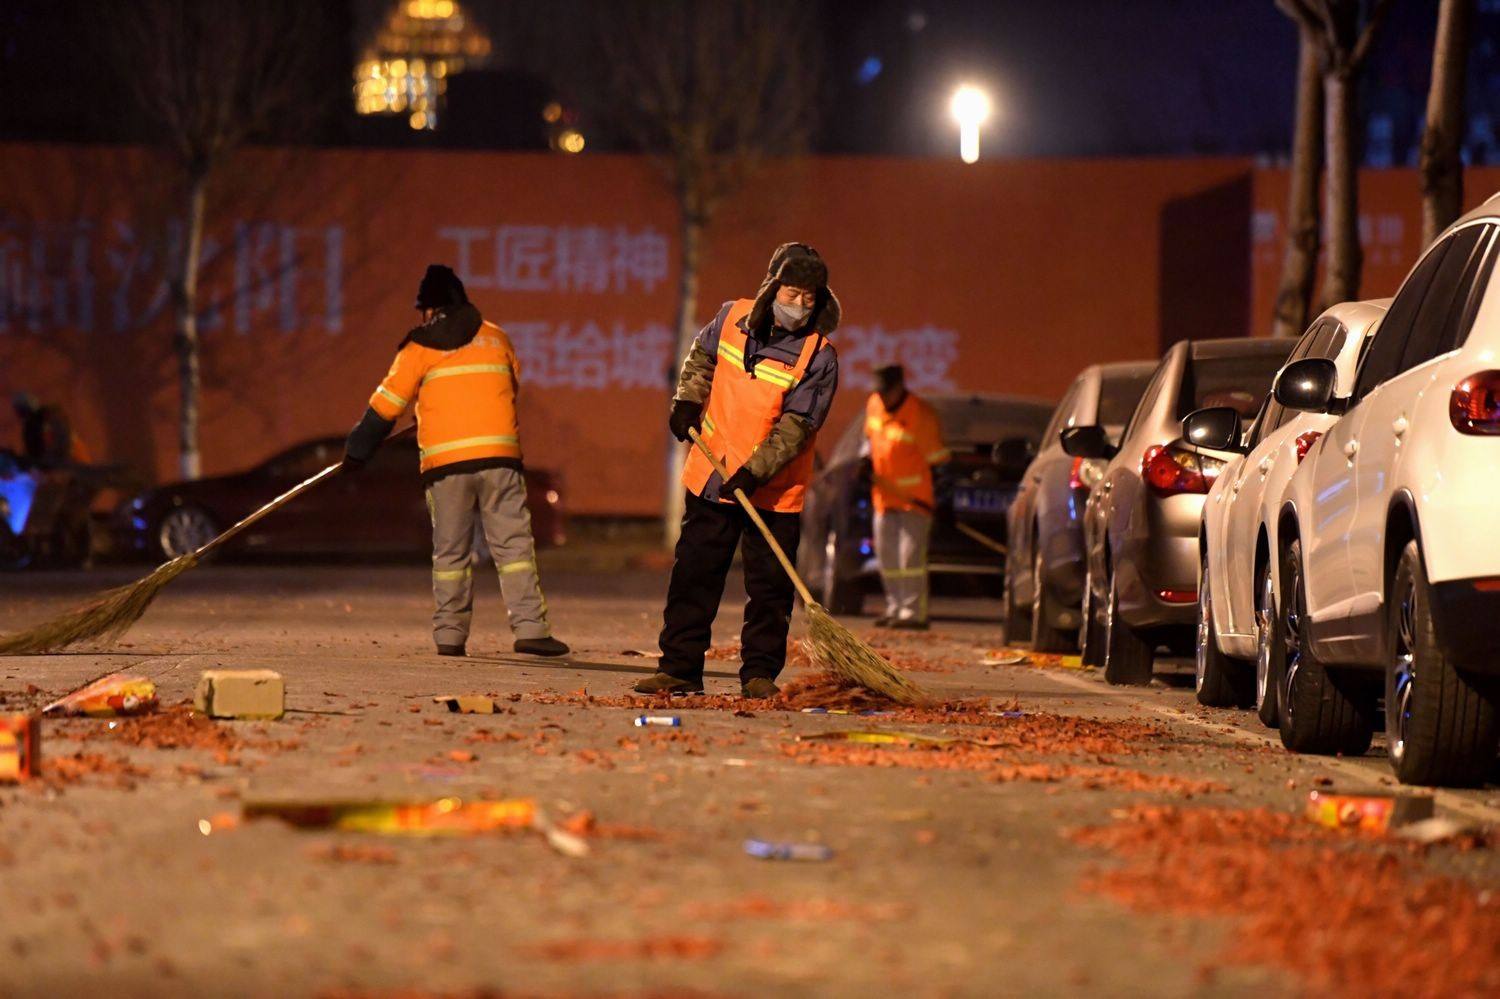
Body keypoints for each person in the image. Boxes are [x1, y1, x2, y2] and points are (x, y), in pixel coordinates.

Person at [636, 243, 840, 699]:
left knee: (769, 592)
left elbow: (798, 425)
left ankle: (759, 675)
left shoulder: (819, 355)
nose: (800, 307)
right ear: (772, 288)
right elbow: (702, 357)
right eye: (793, 294)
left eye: (811, 298)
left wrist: (755, 471)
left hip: (772, 491)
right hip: (711, 478)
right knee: (693, 575)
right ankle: (680, 669)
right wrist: (687, 399)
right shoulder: (730, 317)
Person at [344, 264, 569, 659]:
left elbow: (385, 408)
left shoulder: (417, 348)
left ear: (430, 310)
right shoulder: (496, 336)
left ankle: (450, 636)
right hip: (500, 461)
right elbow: (509, 385)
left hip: (446, 467)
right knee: (514, 547)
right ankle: (531, 629)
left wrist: (357, 452)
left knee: (451, 554)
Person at [861, 365, 950, 630]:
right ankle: (895, 607)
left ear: (899, 388)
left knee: (909, 559)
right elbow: (869, 439)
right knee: (888, 559)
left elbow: (937, 461)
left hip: (914, 500)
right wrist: (864, 461)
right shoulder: (874, 404)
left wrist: (943, 497)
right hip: (884, 498)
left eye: (886, 392)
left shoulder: (920, 415)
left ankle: (913, 613)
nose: (882, 397)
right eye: (879, 392)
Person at [12, 393, 91, 469]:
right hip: (74, 463)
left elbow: (61, 444)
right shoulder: (52, 415)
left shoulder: (38, 424)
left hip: (71, 464)